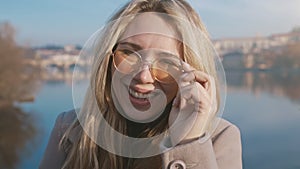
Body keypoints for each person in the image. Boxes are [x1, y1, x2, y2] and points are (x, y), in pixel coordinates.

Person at [40, 0, 242, 169]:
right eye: (128, 53)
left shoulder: (220, 138)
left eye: (166, 63)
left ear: (193, 75)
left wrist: (188, 142)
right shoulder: (69, 127)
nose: (144, 77)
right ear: (108, 62)